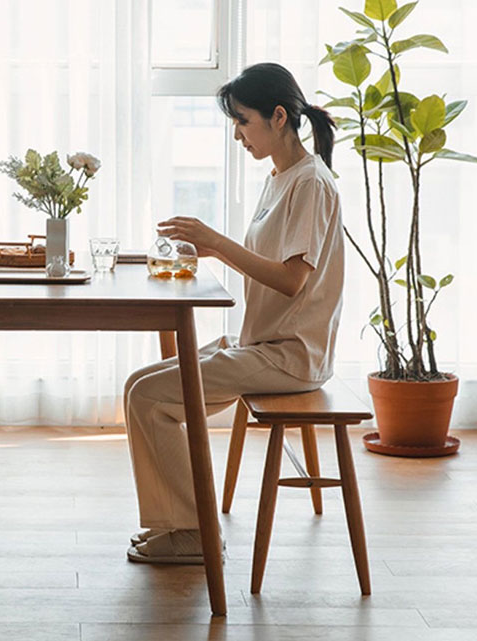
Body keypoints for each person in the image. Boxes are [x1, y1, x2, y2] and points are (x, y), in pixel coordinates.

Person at [125, 62, 345, 564]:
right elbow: (274, 262)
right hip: (263, 345)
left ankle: (193, 533)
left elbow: (292, 280)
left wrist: (217, 243)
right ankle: (176, 523)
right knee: (140, 385)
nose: (237, 134)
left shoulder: (309, 184)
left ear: (279, 117)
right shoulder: (281, 178)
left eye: (243, 121)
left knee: (148, 397)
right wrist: (207, 249)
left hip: (289, 356)